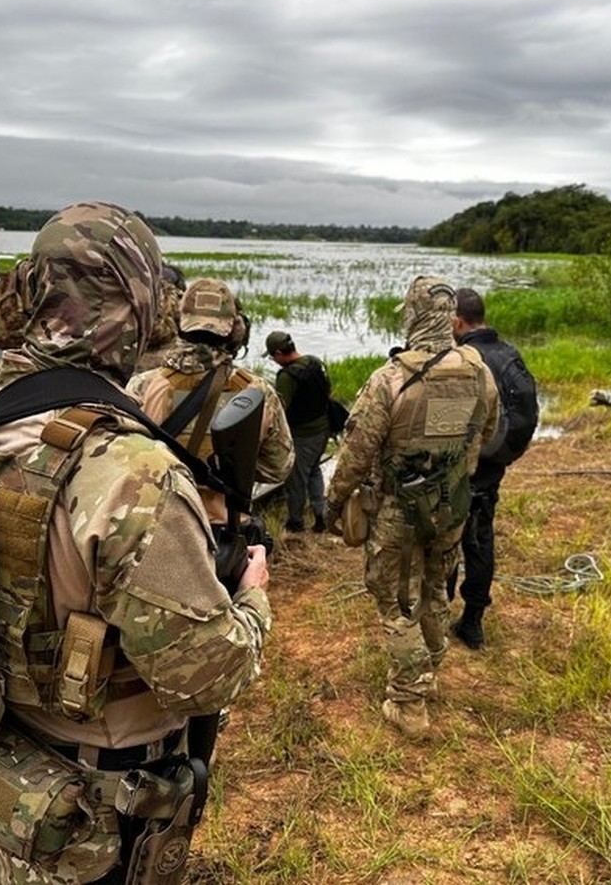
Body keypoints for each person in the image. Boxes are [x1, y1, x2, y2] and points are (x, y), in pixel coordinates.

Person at [0, 203, 272, 884]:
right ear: (137, 308)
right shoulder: (129, 470)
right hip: (103, 797)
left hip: (4, 756)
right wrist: (252, 596)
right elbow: (206, 676)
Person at [324, 276, 497, 737]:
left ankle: (408, 701)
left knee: (396, 602)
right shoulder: (479, 371)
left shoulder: (390, 379)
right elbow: (488, 429)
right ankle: (430, 673)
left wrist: (334, 502)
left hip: (399, 510)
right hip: (451, 504)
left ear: (413, 315)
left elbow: (356, 454)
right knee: (436, 589)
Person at [127, 278, 293, 523]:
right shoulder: (258, 392)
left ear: (179, 326)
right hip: (224, 534)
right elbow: (278, 468)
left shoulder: (141, 386)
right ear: (237, 331)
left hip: (156, 530)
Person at [446, 287, 533, 649]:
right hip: (493, 465)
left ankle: (441, 612)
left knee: (448, 543)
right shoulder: (509, 353)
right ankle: (473, 622)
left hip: (463, 469)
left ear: (456, 321)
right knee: (481, 542)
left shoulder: (464, 359)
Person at [265, 330, 332, 533]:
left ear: (279, 353)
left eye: (272, 356)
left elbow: (279, 410)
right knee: (313, 470)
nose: (274, 361)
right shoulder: (315, 362)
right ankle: (321, 514)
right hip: (324, 430)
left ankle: (295, 523)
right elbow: (326, 391)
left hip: (303, 436)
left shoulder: (287, 376)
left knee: (296, 480)